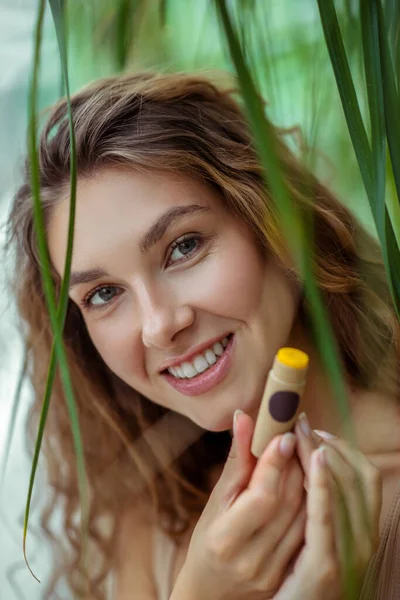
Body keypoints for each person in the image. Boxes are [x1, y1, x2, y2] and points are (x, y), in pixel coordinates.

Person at [7, 71, 400, 600]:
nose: (159, 325)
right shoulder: (152, 521)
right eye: (103, 293)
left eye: (183, 246)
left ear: (272, 221)